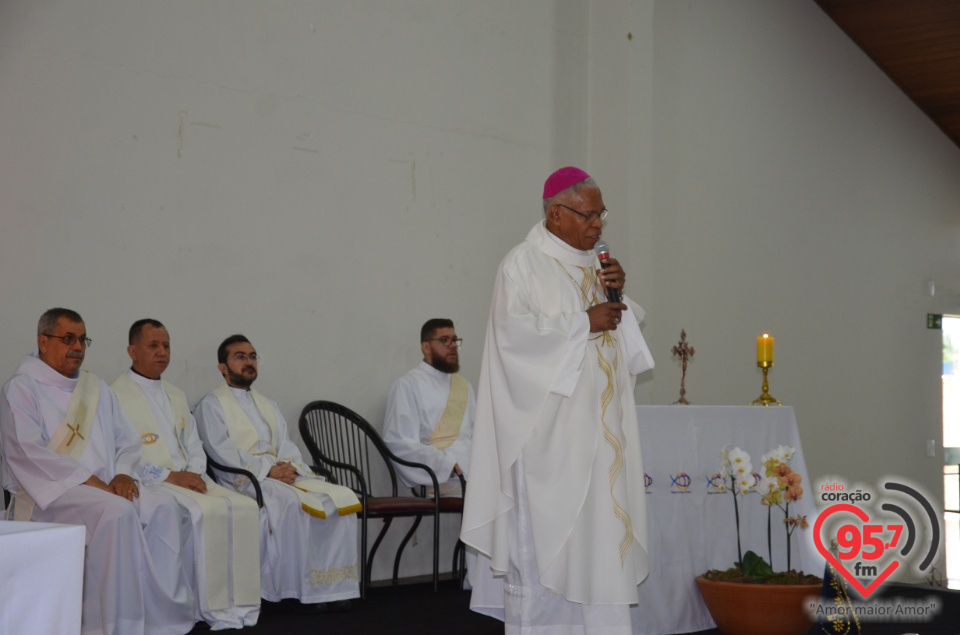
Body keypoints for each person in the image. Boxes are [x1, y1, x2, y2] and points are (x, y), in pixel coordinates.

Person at [460, 167, 655, 634]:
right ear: (556, 213)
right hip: (549, 441)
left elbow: (624, 349)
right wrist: (582, 324)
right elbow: (511, 339)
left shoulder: (598, 265)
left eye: (601, 214)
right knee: (549, 550)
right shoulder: (522, 264)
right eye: (589, 215)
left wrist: (618, 297)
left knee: (601, 548)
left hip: (602, 437)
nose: (598, 225)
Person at [0, 308, 196, 635]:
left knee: (163, 506)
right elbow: (26, 451)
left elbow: (128, 440)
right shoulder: (21, 388)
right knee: (117, 512)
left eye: (82, 339)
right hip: (49, 494)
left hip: (106, 486)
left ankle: (161, 620)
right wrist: (92, 482)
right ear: (43, 342)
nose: (77, 346)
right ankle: (114, 624)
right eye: (67, 339)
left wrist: (122, 474)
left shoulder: (96, 388)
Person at [193, 334, 361, 610]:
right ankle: (298, 589)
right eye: (240, 356)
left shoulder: (267, 403)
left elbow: (285, 443)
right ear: (222, 366)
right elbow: (220, 450)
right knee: (290, 503)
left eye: (252, 356)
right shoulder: (211, 404)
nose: (249, 362)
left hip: (278, 473)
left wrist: (288, 467)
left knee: (340, 496)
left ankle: (333, 587)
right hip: (245, 479)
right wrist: (267, 470)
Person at [111, 319, 261, 629]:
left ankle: (240, 605)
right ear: (132, 350)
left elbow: (193, 443)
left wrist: (194, 473)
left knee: (244, 506)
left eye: (166, 346)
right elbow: (121, 454)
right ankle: (205, 607)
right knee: (203, 513)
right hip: (153, 483)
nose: (162, 352)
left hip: (189, 478)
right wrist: (170, 477)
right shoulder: (115, 395)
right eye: (153, 346)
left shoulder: (176, 394)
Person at [382, 318, 475, 497]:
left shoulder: (464, 386)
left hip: (473, 470)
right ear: (425, 347)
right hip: (438, 475)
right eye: (444, 340)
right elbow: (399, 441)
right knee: (492, 499)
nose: (453, 345)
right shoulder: (407, 385)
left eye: (455, 340)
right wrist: (445, 465)